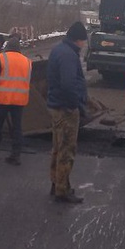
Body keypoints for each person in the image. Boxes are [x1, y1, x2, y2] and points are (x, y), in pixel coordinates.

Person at [46, 22, 89, 204]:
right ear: (78, 39)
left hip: (57, 106)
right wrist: (74, 105)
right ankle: (62, 191)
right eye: (84, 41)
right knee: (66, 150)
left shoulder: (59, 50)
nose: (84, 44)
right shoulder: (68, 56)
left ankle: (56, 183)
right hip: (66, 110)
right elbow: (68, 84)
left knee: (58, 147)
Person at [0, 34, 32, 166]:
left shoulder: (1, 58)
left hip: (2, 99)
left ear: (7, 47)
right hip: (19, 100)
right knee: (17, 128)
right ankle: (16, 155)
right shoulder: (27, 61)